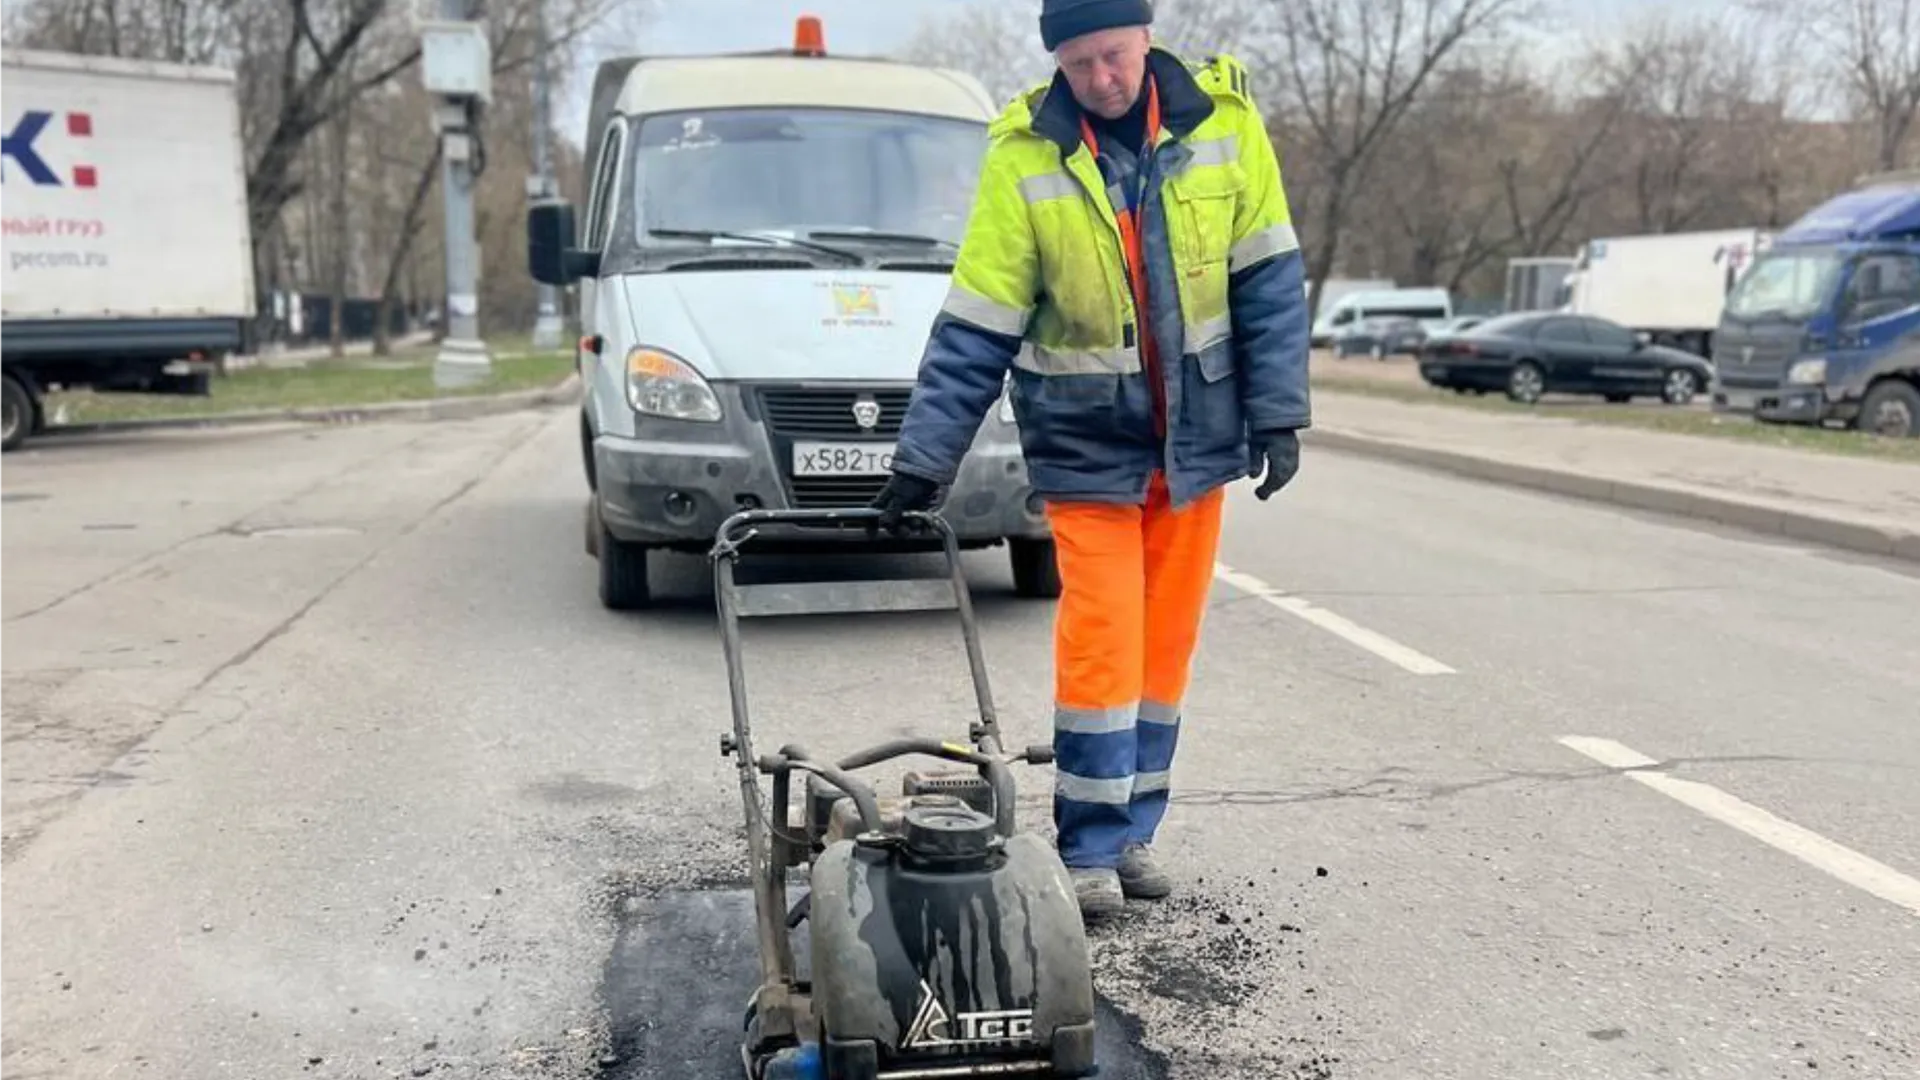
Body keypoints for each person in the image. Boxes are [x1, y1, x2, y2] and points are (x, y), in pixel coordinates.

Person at [870, 0, 1311, 918]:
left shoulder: (1225, 125)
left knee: (1164, 651)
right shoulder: (1024, 155)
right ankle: (1089, 846)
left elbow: (1266, 276)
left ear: (1146, 39)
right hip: (1086, 446)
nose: (1101, 79)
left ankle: (1137, 829)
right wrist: (925, 459)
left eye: (1112, 55)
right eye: (1078, 64)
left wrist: (1277, 415)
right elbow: (979, 320)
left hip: (1194, 445)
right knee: (1105, 642)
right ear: (1056, 64)